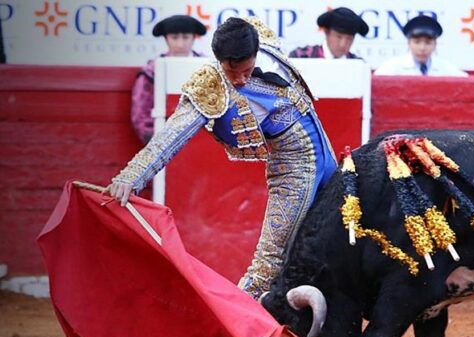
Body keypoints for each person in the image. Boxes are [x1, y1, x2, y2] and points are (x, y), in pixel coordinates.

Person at [109, 17, 338, 301]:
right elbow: (170, 137)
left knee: (336, 240)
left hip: (326, 158)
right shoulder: (211, 86)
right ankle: (236, 332)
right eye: (232, 72)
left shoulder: (260, 40)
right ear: (219, 61)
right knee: (269, 261)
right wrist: (130, 177)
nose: (241, 79)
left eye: (247, 70)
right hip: (293, 170)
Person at [131, 15, 206, 144]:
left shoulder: (207, 66)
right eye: (174, 38)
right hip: (164, 136)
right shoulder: (152, 70)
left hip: (202, 136)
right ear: (166, 39)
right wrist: (151, 138)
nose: (180, 44)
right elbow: (140, 109)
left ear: (194, 38)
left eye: (186, 37)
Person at [374, 15, 467, 77]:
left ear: (435, 44)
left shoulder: (446, 68)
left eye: (428, 43)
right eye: (417, 42)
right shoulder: (392, 67)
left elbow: (466, 83)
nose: (422, 48)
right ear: (409, 43)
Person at [289, 7, 369, 60]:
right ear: (327, 32)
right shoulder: (301, 57)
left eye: (349, 39)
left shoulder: (358, 64)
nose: (343, 44)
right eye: (339, 37)